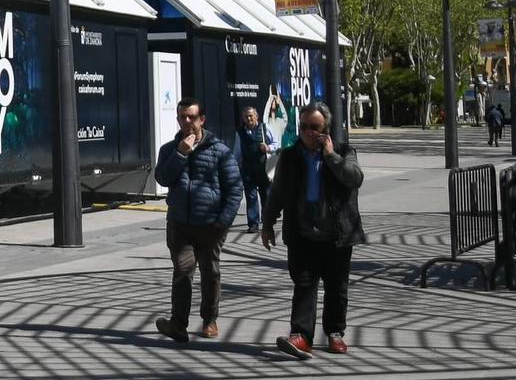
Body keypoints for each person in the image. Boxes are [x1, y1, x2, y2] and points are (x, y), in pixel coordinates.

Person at [263, 101, 364, 358]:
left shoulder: (343, 150)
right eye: (304, 126)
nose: (308, 132)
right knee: (304, 285)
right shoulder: (290, 156)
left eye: (314, 127)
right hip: (302, 234)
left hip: (336, 234)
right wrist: (267, 223)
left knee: (336, 288)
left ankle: (334, 332)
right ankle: (301, 336)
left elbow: (355, 178)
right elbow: (278, 193)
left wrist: (331, 157)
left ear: (326, 129)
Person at [152, 98, 241, 343]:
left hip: (210, 224)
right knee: (182, 271)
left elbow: (235, 189)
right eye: (182, 117)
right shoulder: (170, 149)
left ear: (202, 120)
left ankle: (210, 319)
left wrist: (222, 222)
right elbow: (163, 178)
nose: (187, 122)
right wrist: (181, 154)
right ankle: (178, 324)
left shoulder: (219, 150)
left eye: (192, 117)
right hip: (180, 224)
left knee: (210, 272)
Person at [235, 105, 271, 235]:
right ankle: (253, 224)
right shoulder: (240, 132)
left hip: (263, 168)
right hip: (247, 169)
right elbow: (237, 152)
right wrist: (237, 167)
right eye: (246, 116)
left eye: (251, 115)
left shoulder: (265, 128)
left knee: (265, 195)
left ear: (256, 116)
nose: (249, 118)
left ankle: (267, 222)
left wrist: (268, 148)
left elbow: (276, 143)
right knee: (251, 197)